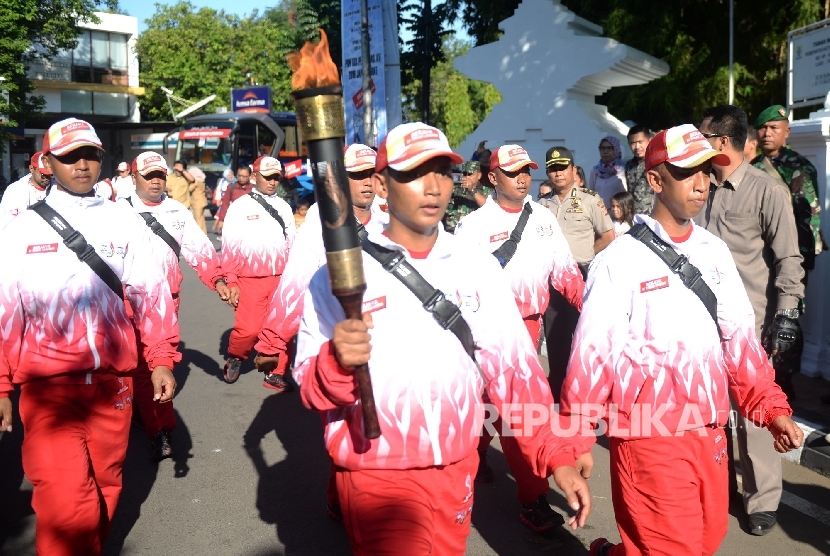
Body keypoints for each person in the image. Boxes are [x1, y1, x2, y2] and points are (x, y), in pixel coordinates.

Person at [294, 122, 591, 555]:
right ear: (381, 184)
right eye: (415, 173)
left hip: (456, 466)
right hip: (377, 473)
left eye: (441, 172)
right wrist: (335, 362)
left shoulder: (475, 265)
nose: (433, 187)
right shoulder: (338, 277)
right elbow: (307, 383)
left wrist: (555, 453)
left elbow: (514, 371)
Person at [560, 124, 804, 556]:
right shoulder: (619, 260)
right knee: (675, 548)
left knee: (705, 541)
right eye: (687, 172)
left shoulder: (714, 252)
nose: (701, 182)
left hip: (709, 432)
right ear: (655, 181)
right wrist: (576, 438)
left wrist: (770, 408)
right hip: (647, 435)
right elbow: (591, 355)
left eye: (707, 171)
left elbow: (740, 341)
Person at [0, 118, 180, 555]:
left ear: (102, 159)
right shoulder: (21, 227)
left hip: (112, 388)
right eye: (69, 157)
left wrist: (159, 358)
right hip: (49, 392)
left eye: (90, 155)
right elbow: (5, 310)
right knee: (66, 503)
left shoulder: (125, 221)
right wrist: (3, 384)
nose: (82, 165)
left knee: (106, 487)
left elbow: (151, 293)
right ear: (48, 161)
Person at [454, 144, 585, 532]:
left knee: (520, 417)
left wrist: (590, 309)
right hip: (487, 334)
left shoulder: (543, 217)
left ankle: (532, 498)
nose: (523, 177)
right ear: (493, 178)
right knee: (486, 409)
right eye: (513, 172)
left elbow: (565, 271)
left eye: (526, 170)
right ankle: (473, 462)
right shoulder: (473, 226)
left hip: (530, 329)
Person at [695, 105, 805, 535]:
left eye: (703, 136)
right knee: (711, 412)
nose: (698, 144)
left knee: (755, 414)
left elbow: (789, 259)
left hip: (752, 323)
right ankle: (717, 488)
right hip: (701, 322)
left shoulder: (767, 190)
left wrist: (787, 315)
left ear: (722, 142)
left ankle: (761, 500)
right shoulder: (699, 186)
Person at [121, 151, 234, 460]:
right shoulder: (116, 213)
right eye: (149, 176)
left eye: (161, 174)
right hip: (128, 303)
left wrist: (218, 281)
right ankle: (148, 419)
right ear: (134, 179)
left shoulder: (176, 211)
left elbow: (199, 249)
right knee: (136, 366)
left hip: (168, 301)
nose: (156, 181)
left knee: (154, 365)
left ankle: (159, 428)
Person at [540, 147, 615, 401]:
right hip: (552, 280)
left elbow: (607, 236)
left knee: (583, 339)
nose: (558, 173)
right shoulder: (541, 205)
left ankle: (587, 395)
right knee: (555, 338)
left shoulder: (589, 200)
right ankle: (560, 394)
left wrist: (585, 260)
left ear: (573, 170)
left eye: (562, 167)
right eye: (552, 168)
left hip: (581, 275)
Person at [221, 155, 295, 383]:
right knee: (249, 330)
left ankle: (276, 373)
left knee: (281, 329)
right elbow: (230, 245)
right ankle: (236, 355)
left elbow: (292, 243)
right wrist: (231, 280)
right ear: (254, 177)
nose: (273, 182)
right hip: (249, 279)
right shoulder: (239, 206)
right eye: (267, 177)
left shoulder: (284, 206)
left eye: (276, 177)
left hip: (281, 279)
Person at [752, 104, 826, 282]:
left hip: (789, 250)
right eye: (762, 127)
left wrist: (804, 258)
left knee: (789, 306)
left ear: (786, 132)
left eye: (773, 128)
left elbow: (809, 213)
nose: (767, 133)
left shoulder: (799, 167)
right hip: (758, 250)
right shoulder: (752, 166)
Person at [0, 151, 52, 229]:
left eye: (50, 174)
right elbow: (5, 223)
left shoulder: (58, 187)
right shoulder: (15, 190)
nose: (48, 178)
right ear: (31, 169)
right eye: (43, 174)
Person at [443, 160, 492, 231]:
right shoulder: (455, 189)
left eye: (470, 174)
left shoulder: (487, 191)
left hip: (474, 233)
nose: (467, 177)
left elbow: (489, 207)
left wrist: (472, 189)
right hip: (452, 233)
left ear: (479, 175)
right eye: (465, 174)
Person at [213, 165, 255, 234]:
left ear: (250, 176)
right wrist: (221, 220)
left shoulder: (254, 188)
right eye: (239, 176)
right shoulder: (231, 187)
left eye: (244, 176)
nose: (241, 178)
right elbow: (225, 204)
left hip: (250, 222)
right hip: (234, 221)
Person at [588, 136, 627, 208]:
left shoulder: (624, 169)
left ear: (616, 149)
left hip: (618, 214)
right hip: (600, 213)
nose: (605, 151)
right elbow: (592, 193)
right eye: (602, 148)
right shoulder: (595, 170)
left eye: (609, 148)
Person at [624, 125, 653, 214]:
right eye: (633, 143)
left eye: (640, 142)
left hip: (654, 217)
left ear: (649, 141)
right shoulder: (628, 166)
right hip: (634, 217)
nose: (637, 147)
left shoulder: (656, 163)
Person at [188, 164, 209, 234]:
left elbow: (189, 189)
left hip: (198, 202)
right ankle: (204, 233)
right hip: (202, 201)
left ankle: (199, 234)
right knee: (201, 218)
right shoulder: (202, 180)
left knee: (198, 219)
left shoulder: (196, 181)